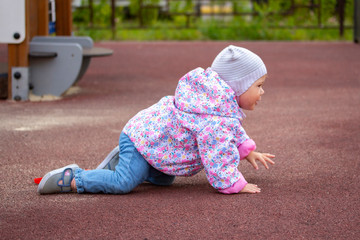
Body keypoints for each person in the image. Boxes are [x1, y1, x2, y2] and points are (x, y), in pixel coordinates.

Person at [37, 45, 275, 195]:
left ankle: (127, 161)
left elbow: (231, 128)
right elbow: (217, 157)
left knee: (164, 179)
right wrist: (235, 183)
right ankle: (73, 178)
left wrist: (246, 151)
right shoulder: (213, 118)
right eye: (258, 85)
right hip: (142, 139)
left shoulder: (217, 105)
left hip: (154, 143)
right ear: (236, 87)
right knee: (123, 183)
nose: (262, 92)